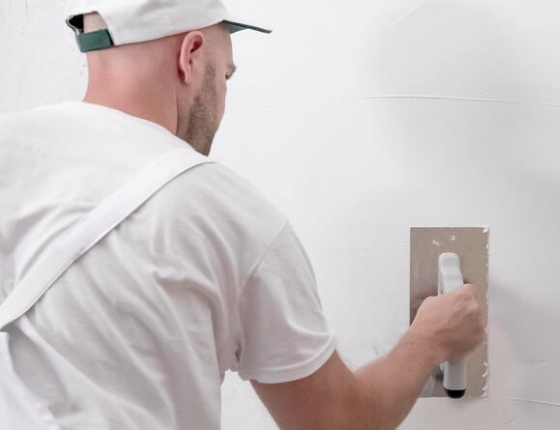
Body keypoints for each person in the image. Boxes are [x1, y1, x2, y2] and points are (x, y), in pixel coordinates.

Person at [0, 1, 485, 429]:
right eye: (225, 75)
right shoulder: (225, 213)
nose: (224, 96)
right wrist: (429, 340)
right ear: (191, 55)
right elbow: (337, 422)